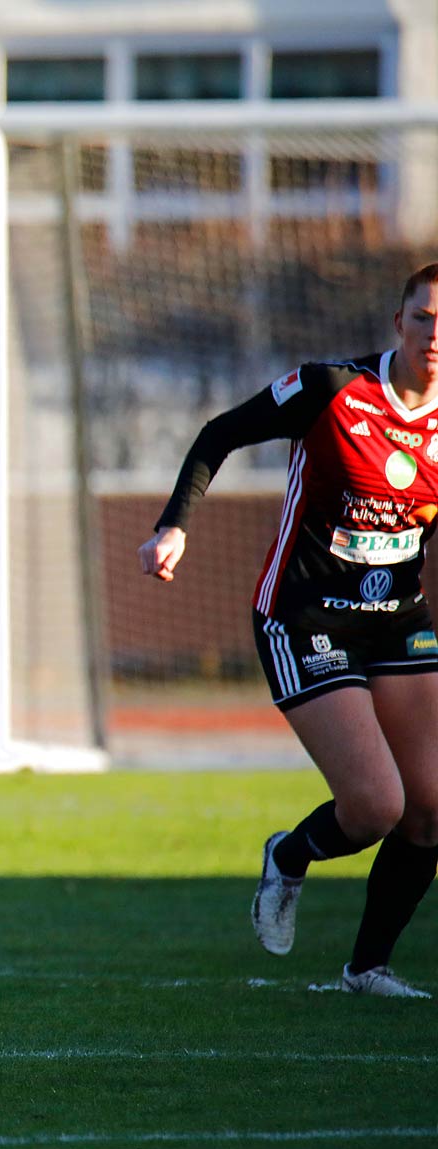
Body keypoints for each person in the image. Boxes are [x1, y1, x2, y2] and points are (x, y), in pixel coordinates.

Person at [140, 261, 438, 999]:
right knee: (376, 805)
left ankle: (365, 971)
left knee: (430, 807)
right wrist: (173, 525)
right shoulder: (331, 390)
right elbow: (220, 433)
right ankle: (290, 856)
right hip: (304, 618)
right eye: (424, 318)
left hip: (398, 622)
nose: (435, 336)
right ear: (398, 323)